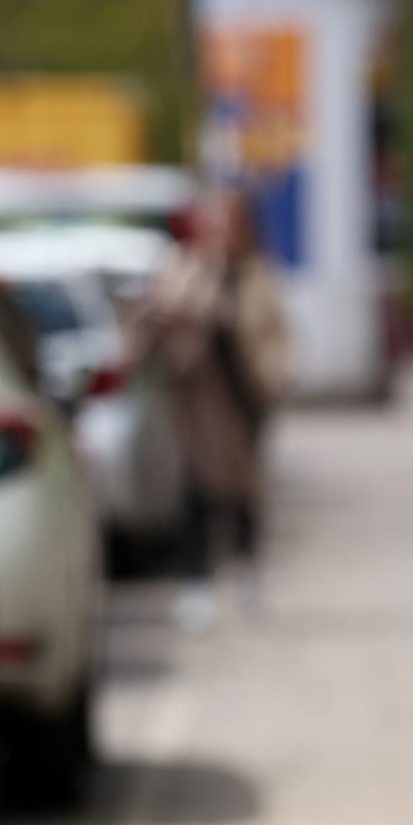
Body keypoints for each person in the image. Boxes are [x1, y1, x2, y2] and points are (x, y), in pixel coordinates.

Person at [130, 187, 291, 629]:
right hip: (199, 402)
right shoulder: (186, 270)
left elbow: (276, 337)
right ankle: (196, 583)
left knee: (244, 489)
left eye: (230, 220)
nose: (222, 229)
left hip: (244, 399)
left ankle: (244, 571)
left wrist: (273, 381)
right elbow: (159, 320)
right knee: (196, 491)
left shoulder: (258, 276)